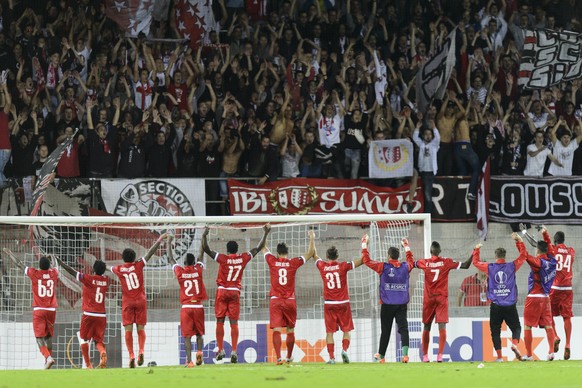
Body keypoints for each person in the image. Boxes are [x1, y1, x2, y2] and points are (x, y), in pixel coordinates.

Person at [201, 224, 270, 363]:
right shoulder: (243, 258)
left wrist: (204, 235)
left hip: (222, 291)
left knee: (220, 321)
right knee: (234, 323)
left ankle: (220, 350)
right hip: (234, 292)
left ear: (227, 250)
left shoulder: (223, 258)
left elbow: (206, 249)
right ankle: (233, 351)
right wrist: (266, 233)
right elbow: (257, 248)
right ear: (237, 250)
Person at [110, 233, 169, 368]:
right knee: (140, 328)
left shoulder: (119, 269)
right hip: (141, 300)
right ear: (134, 258)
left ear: (123, 258)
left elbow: (111, 269)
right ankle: (141, 351)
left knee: (128, 330)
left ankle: (131, 355)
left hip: (127, 301)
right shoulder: (139, 265)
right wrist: (160, 239)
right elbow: (150, 253)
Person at [471, 234, 527, 362]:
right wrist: (519, 242)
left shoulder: (490, 267)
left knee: (495, 331)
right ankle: (514, 344)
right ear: (504, 256)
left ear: (495, 256)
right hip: (510, 304)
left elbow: (475, 262)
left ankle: (500, 357)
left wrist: (477, 250)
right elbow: (523, 256)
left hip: (495, 305)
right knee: (516, 328)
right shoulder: (512, 266)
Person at [263, 230, 315, 364]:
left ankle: (278, 357)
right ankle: (289, 357)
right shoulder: (293, 262)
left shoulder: (272, 261)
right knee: (290, 329)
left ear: (277, 253)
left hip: (275, 300)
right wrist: (312, 238)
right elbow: (310, 254)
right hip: (290, 301)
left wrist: (266, 232)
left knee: (276, 329)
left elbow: (263, 247)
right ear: (287, 253)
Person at [414, 241, 472, 362]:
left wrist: (407, 248)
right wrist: (475, 252)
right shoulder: (446, 262)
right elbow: (466, 265)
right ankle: (440, 355)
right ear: (440, 252)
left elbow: (411, 264)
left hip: (429, 299)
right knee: (442, 326)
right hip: (441, 299)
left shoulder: (424, 262)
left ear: (430, 251)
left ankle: (425, 356)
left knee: (426, 326)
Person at [361, 236, 413, 364]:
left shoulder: (383, 267)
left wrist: (364, 245)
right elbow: (411, 260)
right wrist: (406, 246)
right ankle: (405, 355)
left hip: (387, 305)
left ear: (388, 256)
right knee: (403, 328)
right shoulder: (405, 267)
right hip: (401, 304)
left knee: (386, 330)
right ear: (397, 256)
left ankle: (382, 356)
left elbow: (366, 261)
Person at [4, 249, 58, 369]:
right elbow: (56, 266)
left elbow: (19, 264)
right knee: (48, 336)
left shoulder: (34, 273)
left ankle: (48, 358)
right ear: (49, 266)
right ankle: (47, 361)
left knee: (39, 337)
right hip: (51, 310)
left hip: (39, 309)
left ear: (39, 265)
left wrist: (10, 254)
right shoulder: (54, 273)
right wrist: (53, 257)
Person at [315, 239, 364, 364]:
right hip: (343, 303)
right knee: (346, 330)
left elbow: (314, 256)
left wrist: (311, 239)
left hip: (329, 304)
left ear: (327, 257)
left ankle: (331, 358)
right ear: (337, 256)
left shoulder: (322, 266)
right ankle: (344, 350)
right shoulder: (343, 266)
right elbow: (362, 260)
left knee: (329, 332)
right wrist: (365, 244)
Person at [54, 256, 109, 369]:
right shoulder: (106, 280)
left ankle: (88, 365)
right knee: (98, 340)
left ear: (93, 269)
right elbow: (101, 274)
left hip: (89, 314)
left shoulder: (88, 278)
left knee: (84, 339)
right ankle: (102, 352)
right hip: (101, 315)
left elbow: (73, 272)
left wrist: (61, 263)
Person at [515, 232, 557, 361]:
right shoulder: (552, 260)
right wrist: (545, 234)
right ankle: (551, 352)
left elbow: (525, 256)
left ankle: (528, 354)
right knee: (548, 325)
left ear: (537, 250)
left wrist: (519, 242)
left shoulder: (538, 262)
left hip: (534, 297)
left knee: (528, 326)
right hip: (545, 298)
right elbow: (550, 246)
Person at [167, 236, 207, 367]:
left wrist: (168, 242)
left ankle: (189, 361)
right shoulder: (198, 269)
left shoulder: (180, 271)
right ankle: (200, 352)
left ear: (184, 262)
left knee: (187, 336)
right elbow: (201, 254)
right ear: (194, 262)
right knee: (199, 333)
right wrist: (204, 237)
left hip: (186, 307)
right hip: (198, 306)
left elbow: (171, 259)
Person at [542, 226, 575, 360]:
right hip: (568, 288)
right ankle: (568, 344)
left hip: (555, 287)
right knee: (567, 317)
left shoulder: (553, 250)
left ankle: (555, 336)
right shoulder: (571, 251)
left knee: (548, 314)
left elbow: (548, 245)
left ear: (555, 241)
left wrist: (545, 233)